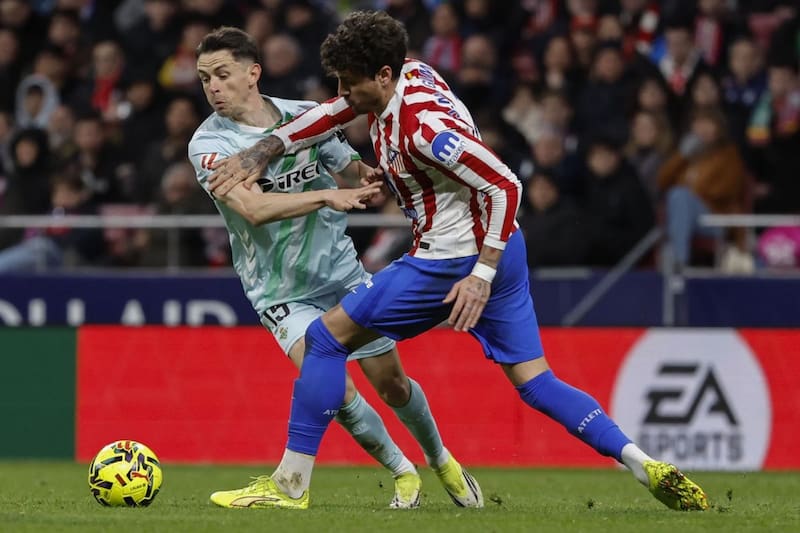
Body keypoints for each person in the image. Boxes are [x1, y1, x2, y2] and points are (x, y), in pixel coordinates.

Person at [207, 11, 709, 512]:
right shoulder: (411, 73)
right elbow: (336, 111)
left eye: (350, 82)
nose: (342, 93)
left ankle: (290, 485)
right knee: (536, 383)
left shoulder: (425, 129)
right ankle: (641, 462)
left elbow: (505, 182)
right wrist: (268, 149)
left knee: (324, 340)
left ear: (384, 75)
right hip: (504, 247)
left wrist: (479, 277)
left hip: (451, 261)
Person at [187, 26, 481, 510]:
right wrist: (328, 194)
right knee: (335, 389)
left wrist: (365, 176)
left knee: (393, 384)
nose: (213, 87)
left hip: (342, 275)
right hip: (280, 290)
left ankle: (441, 460)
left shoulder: (305, 118)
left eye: (222, 74)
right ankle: (401, 472)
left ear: (253, 73)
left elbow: (348, 170)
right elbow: (255, 209)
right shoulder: (209, 145)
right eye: (204, 79)